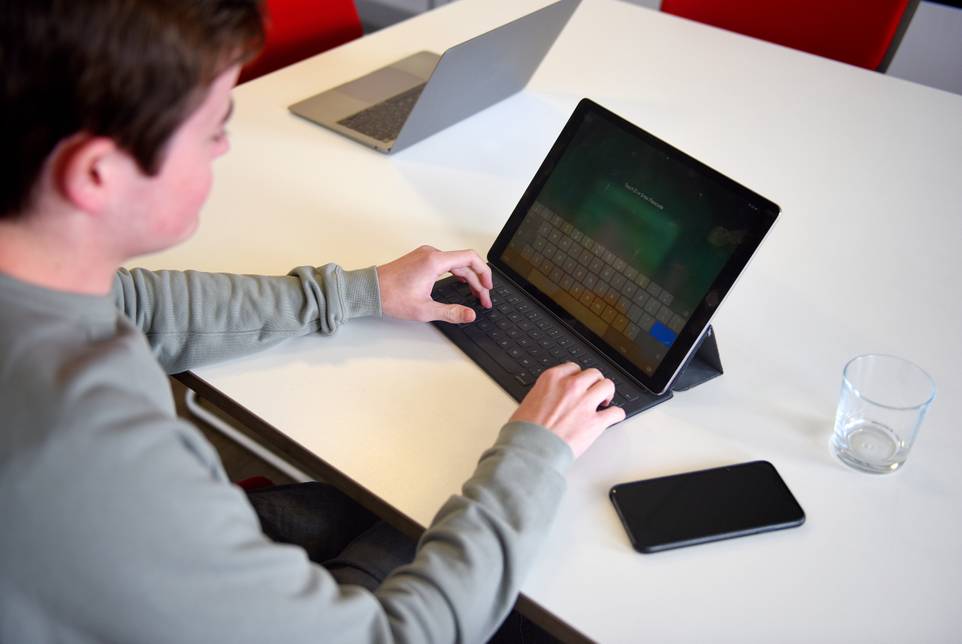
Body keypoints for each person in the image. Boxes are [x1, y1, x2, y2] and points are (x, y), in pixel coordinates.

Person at [0, 1, 625, 642]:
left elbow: (136, 308)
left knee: (402, 503)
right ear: (96, 173)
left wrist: (360, 293)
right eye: (214, 127)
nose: (225, 147)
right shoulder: (96, 455)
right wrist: (533, 455)